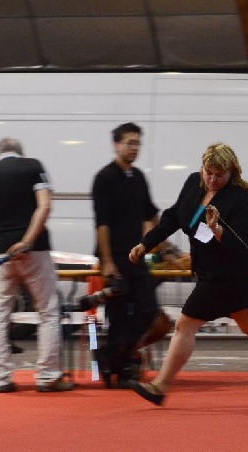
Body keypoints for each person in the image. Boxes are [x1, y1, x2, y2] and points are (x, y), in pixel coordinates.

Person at [128, 142, 248, 406]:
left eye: (219, 175)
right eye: (208, 172)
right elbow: (172, 217)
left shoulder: (240, 197)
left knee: (185, 324)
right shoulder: (193, 182)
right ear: (202, 168)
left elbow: (244, 241)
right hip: (209, 269)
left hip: (233, 270)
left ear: (231, 172)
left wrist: (217, 230)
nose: (212, 180)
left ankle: (160, 386)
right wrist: (145, 243)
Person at [0, 137, 73, 393]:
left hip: (1, 254)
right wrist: (27, 241)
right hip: (34, 250)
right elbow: (44, 206)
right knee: (47, 311)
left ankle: (0, 378)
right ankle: (47, 376)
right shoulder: (33, 167)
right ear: (20, 152)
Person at [91, 122, 175, 389]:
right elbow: (101, 223)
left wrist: (168, 249)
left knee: (147, 308)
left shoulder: (138, 178)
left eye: (137, 143)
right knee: (118, 315)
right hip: (114, 258)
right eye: (129, 142)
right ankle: (122, 366)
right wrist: (106, 262)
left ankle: (110, 357)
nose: (133, 148)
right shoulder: (104, 178)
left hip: (135, 256)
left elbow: (152, 216)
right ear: (116, 145)